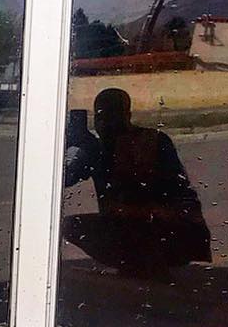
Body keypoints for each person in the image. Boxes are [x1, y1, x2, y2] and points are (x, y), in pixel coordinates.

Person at [62, 87, 211, 278]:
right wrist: (71, 146)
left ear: (127, 116)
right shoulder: (97, 150)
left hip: (167, 230)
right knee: (70, 225)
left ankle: (142, 262)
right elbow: (66, 178)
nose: (106, 124)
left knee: (74, 226)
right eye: (100, 117)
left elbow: (176, 199)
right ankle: (136, 263)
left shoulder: (151, 142)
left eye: (112, 116)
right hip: (141, 229)